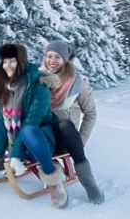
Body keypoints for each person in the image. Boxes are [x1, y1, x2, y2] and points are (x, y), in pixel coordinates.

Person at [0, 43, 69, 208]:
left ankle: (53, 180)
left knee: (29, 130)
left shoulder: (40, 87)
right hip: (14, 137)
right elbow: (4, 124)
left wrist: (15, 156)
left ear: (21, 62)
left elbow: (31, 122)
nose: (7, 66)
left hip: (38, 139)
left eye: (12, 61)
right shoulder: (8, 86)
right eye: (4, 61)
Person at [39, 40, 104, 204]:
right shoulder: (38, 80)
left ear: (66, 60)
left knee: (65, 125)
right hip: (42, 136)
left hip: (66, 138)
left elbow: (90, 114)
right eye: (49, 56)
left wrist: (79, 142)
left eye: (57, 57)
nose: (52, 61)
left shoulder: (77, 84)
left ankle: (87, 180)